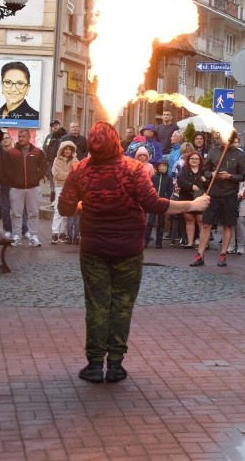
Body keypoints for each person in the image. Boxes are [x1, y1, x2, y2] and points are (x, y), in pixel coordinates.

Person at [58, 121, 210, 383]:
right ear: (117, 141)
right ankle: (115, 364)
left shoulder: (79, 170)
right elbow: (154, 204)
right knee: (121, 304)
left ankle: (94, 365)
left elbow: (65, 208)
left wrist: (92, 204)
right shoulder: (134, 169)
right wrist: (193, 204)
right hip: (128, 249)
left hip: (94, 248)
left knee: (96, 305)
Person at [191, 130, 245, 268]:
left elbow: (243, 176)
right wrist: (212, 173)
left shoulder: (240, 155)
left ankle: (223, 254)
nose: (223, 141)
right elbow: (204, 170)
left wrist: (230, 177)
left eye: (226, 138)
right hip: (214, 194)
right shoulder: (213, 152)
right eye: (222, 138)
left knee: (228, 225)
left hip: (229, 195)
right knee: (206, 224)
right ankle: (200, 255)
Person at [5, 129, 47, 247]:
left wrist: (36, 178)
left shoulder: (38, 151)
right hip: (16, 188)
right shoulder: (12, 152)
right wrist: (14, 180)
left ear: (29, 137)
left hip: (33, 187)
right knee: (16, 213)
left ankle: (33, 236)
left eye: (23, 136)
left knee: (33, 213)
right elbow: (7, 169)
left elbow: (44, 167)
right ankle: (17, 236)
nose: (21, 138)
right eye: (19, 136)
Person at [177, 150, 208, 249]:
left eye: (196, 159)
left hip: (200, 199)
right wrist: (191, 186)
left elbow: (211, 184)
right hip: (187, 198)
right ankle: (190, 242)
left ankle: (204, 244)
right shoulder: (184, 169)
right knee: (189, 220)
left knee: (201, 220)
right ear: (188, 160)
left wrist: (206, 181)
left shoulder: (204, 171)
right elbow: (180, 181)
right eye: (192, 158)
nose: (194, 160)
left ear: (200, 160)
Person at [51, 141, 78, 244]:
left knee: (67, 211)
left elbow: (76, 174)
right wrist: (70, 175)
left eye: (70, 149)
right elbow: (57, 175)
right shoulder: (56, 160)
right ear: (62, 150)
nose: (67, 151)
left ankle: (63, 232)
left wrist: (75, 159)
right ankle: (55, 233)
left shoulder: (75, 160)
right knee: (58, 210)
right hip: (59, 187)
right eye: (66, 149)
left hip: (71, 188)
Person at [145, 158, 173, 248]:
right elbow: (150, 188)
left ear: (167, 167)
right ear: (157, 167)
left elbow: (170, 190)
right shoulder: (154, 177)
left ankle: (159, 242)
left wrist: (166, 198)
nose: (162, 167)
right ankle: (146, 240)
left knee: (161, 223)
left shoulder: (169, 178)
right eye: (160, 165)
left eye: (164, 166)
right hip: (153, 202)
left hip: (162, 202)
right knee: (149, 222)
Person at [43, 120, 66, 191]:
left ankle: (61, 194)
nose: (54, 127)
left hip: (62, 162)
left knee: (61, 178)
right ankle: (53, 193)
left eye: (56, 125)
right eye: (52, 126)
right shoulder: (49, 136)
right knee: (52, 179)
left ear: (59, 125)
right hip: (51, 162)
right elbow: (44, 147)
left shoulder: (64, 136)